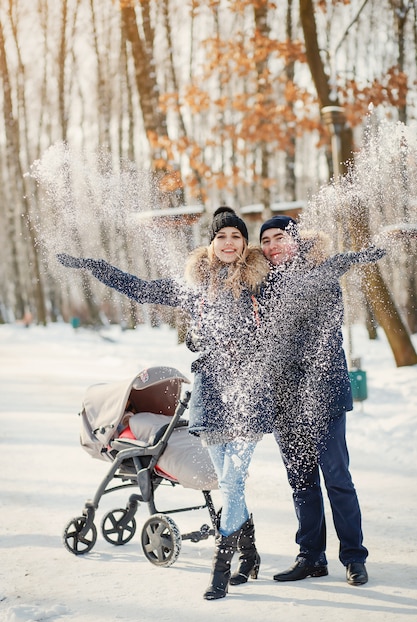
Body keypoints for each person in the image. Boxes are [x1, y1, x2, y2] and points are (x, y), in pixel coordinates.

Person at [57, 207, 275, 600]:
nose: (228, 243)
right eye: (222, 236)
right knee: (229, 480)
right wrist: (94, 266)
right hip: (211, 393)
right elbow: (140, 289)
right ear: (211, 244)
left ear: (245, 245)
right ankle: (251, 554)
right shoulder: (195, 288)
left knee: (231, 481)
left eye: (236, 237)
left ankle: (220, 573)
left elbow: (302, 285)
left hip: (247, 393)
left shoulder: (262, 285)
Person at [259, 214, 383, 586]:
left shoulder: (321, 274)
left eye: (280, 237)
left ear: (297, 240)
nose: (272, 246)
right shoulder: (261, 285)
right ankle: (310, 556)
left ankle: (354, 557)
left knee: (337, 478)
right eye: (265, 241)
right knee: (301, 482)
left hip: (322, 392)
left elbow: (317, 329)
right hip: (283, 397)